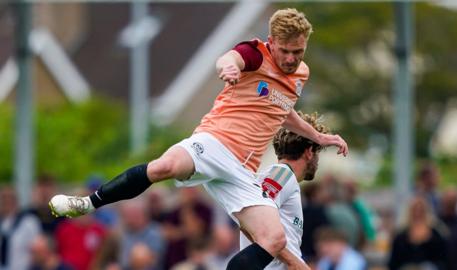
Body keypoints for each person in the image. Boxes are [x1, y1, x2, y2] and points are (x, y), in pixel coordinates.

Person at [49, 8, 348, 270]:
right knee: (163, 167)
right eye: (285, 50)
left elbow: (283, 109)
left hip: (244, 170)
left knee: (274, 238)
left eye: (298, 52)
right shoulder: (256, 54)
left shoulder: (300, 75)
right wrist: (228, 66)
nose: (291, 58)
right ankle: (88, 203)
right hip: (214, 142)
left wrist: (317, 135)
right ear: (272, 42)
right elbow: (229, 58)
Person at [239, 111, 330, 269]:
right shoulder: (281, 175)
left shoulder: (282, 177)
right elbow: (250, 222)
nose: (317, 160)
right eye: (317, 153)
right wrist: (295, 263)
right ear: (309, 152)